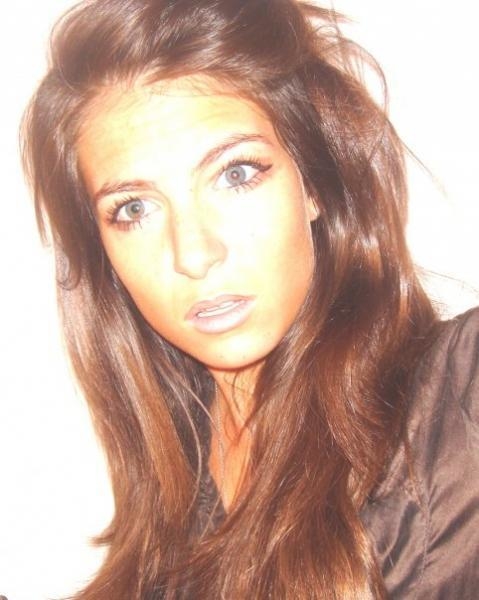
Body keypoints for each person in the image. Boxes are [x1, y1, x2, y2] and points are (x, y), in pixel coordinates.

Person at [21, 0, 478, 598]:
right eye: (133, 208)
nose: (194, 254)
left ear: (313, 184)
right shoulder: (174, 496)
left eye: (236, 174)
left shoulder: (460, 397)